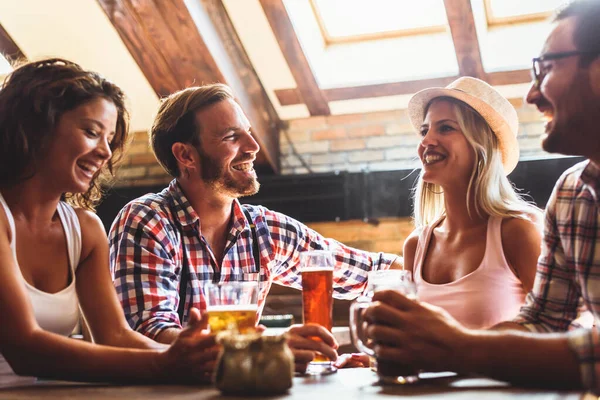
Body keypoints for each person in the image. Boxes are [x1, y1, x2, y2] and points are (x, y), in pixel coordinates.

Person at [363, 0, 600, 391]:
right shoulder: (572, 196)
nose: (532, 95)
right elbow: (545, 322)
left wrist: (454, 346)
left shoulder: (519, 227)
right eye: (425, 130)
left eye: (548, 68)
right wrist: (436, 348)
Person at [108, 83, 403, 373]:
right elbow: (149, 333)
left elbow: (372, 272)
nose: (253, 147)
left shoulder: (262, 228)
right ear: (186, 156)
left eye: (248, 132)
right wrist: (271, 348)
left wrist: (439, 295)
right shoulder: (147, 220)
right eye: (231, 137)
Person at [0, 58, 218, 387]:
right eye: (91, 132)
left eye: (109, 139)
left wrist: (205, 361)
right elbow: (24, 348)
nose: (105, 152)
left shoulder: (85, 230)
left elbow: (115, 335)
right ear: (35, 127)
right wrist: (165, 364)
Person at [401, 76, 543, 330]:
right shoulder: (416, 246)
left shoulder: (517, 232)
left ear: (481, 145)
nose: (425, 142)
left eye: (445, 128)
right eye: (425, 130)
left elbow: (554, 330)